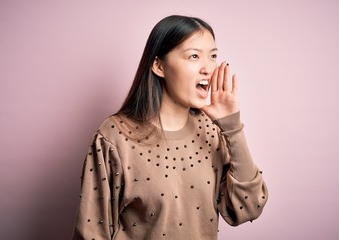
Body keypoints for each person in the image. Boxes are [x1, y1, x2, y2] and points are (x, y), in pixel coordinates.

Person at [72, 15, 268, 240]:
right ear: (159, 66)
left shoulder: (211, 131)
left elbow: (249, 208)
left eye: (213, 56)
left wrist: (232, 126)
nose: (208, 68)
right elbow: (91, 233)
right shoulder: (114, 136)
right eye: (194, 56)